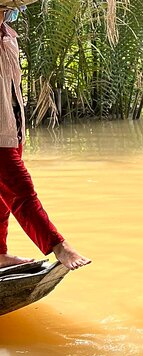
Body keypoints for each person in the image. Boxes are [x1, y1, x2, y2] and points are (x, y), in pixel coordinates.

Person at [0, 5, 90, 270]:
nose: (12, 11)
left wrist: (19, 130)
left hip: (12, 127)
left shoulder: (9, 37)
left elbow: (12, 87)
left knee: (3, 200)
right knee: (22, 191)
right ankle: (58, 246)